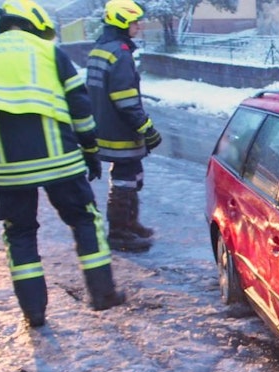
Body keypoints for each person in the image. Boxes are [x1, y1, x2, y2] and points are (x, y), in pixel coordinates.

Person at [0, 0, 126, 327]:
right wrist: (90, 149)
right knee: (84, 220)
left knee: (19, 234)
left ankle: (34, 312)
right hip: (60, 161)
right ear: (35, 24)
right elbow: (79, 105)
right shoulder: (49, 52)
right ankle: (102, 293)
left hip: (9, 169)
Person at [86, 0, 161, 253]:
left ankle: (130, 224)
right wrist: (147, 129)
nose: (138, 26)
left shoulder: (102, 48)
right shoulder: (119, 53)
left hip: (106, 128)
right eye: (134, 21)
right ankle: (119, 233)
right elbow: (126, 100)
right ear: (121, 22)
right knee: (124, 180)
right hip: (120, 132)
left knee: (131, 176)